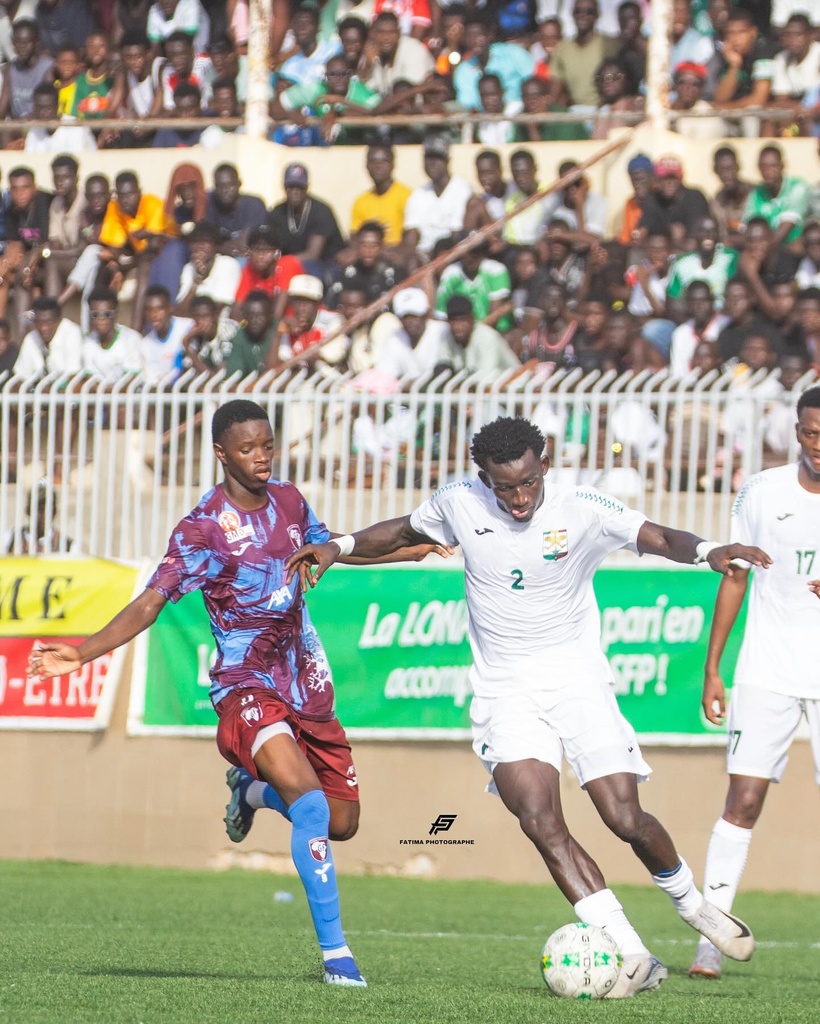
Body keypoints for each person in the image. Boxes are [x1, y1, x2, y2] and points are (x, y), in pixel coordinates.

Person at [283, 414, 768, 997]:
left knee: (623, 817)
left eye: (528, 482)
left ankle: (691, 904)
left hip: (578, 682)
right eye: (504, 486)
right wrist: (339, 546)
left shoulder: (581, 505)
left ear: (546, 463)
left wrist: (710, 551)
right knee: (539, 818)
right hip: (505, 690)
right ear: (483, 477)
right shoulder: (460, 501)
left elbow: (659, 537)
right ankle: (635, 954)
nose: (518, 497)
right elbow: (402, 531)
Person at [27, 398, 447, 988]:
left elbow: (328, 551)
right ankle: (338, 958)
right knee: (308, 805)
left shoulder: (293, 501)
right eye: (248, 449)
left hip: (306, 678)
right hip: (245, 684)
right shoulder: (201, 529)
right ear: (221, 453)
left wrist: (408, 549)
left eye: (268, 446)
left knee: (342, 822)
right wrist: (82, 651)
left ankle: (250, 793)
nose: (261, 459)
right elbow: (151, 601)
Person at [689, 386, 820, 980]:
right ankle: (710, 941)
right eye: (811, 432)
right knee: (742, 802)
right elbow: (735, 578)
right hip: (766, 670)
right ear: (796, 431)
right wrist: (714, 667)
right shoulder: (762, 492)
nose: (819, 445)